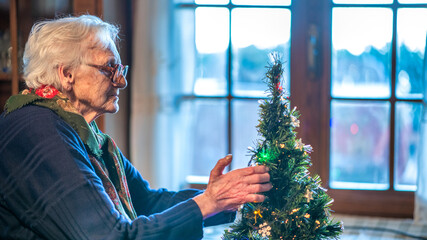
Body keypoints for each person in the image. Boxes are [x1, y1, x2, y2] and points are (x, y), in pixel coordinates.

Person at [0, 15, 272, 239]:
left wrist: (229, 199)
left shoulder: (84, 133)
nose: (121, 82)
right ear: (67, 74)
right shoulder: (35, 129)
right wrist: (208, 202)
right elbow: (110, 236)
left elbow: (147, 201)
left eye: (121, 70)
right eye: (109, 68)